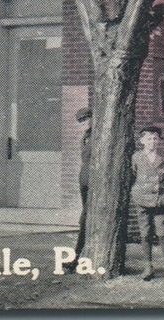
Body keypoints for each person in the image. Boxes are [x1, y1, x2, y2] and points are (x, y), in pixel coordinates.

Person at [130, 126, 164, 281]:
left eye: (155, 138)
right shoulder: (136, 157)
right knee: (145, 233)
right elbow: (133, 175)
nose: (152, 142)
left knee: (163, 233)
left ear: (159, 140)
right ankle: (148, 266)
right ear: (142, 141)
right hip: (142, 199)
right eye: (149, 138)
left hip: (159, 201)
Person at [73, 107, 92, 256]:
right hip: (84, 176)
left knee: (86, 216)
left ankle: (78, 254)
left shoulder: (97, 135)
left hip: (93, 177)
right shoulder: (86, 135)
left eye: (86, 119)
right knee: (85, 213)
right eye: (82, 121)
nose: (85, 123)